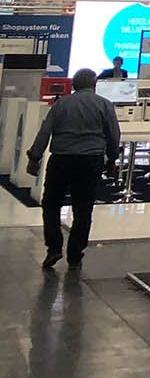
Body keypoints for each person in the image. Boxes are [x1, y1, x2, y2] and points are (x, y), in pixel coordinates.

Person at [26, 68, 121, 270]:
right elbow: (113, 135)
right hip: (90, 161)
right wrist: (112, 159)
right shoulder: (104, 104)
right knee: (83, 208)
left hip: (61, 159)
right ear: (94, 84)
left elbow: (45, 131)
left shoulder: (61, 104)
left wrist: (34, 157)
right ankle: (75, 255)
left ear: (74, 85)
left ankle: (54, 247)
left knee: (51, 203)